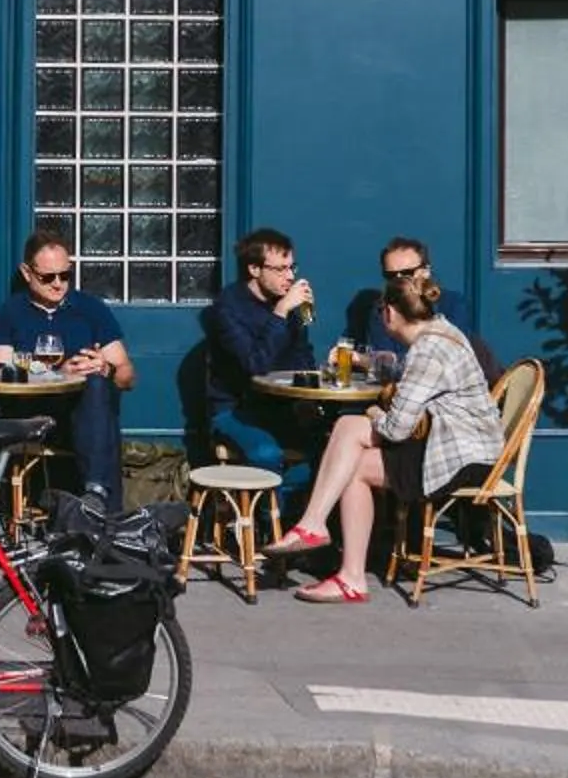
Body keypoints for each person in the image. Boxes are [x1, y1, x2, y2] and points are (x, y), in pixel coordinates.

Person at [262, 264, 505, 603]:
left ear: (388, 312)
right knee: (353, 460)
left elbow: (396, 428)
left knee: (352, 428)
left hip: (458, 457)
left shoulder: (428, 351)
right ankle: (338, 560)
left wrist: (374, 412)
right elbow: (405, 377)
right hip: (459, 446)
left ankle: (322, 537)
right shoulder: (441, 331)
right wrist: (367, 363)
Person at [0, 228, 132, 512]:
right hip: (30, 416)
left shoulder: (91, 309)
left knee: (98, 384)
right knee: (95, 395)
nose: (58, 284)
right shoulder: (9, 313)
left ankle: (95, 496)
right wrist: (59, 372)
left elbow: (128, 376)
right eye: (48, 277)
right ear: (27, 273)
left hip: (83, 418)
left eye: (65, 275)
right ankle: (102, 509)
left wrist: (106, 368)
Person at [202, 225, 319, 480]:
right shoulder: (227, 309)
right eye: (280, 269)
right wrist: (280, 313)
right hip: (236, 409)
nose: (289, 277)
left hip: (286, 406)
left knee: (335, 441)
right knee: (266, 454)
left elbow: (303, 355)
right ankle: (269, 520)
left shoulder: (290, 303)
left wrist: (310, 396)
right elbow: (255, 365)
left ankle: (305, 516)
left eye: (292, 268)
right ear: (254, 269)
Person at [345, 235, 500, 387]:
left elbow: (445, 364)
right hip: (403, 394)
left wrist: (378, 362)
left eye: (407, 273)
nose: (399, 281)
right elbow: (384, 367)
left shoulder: (453, 305)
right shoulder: (383, 311)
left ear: (426, 271)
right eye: (391, 275)